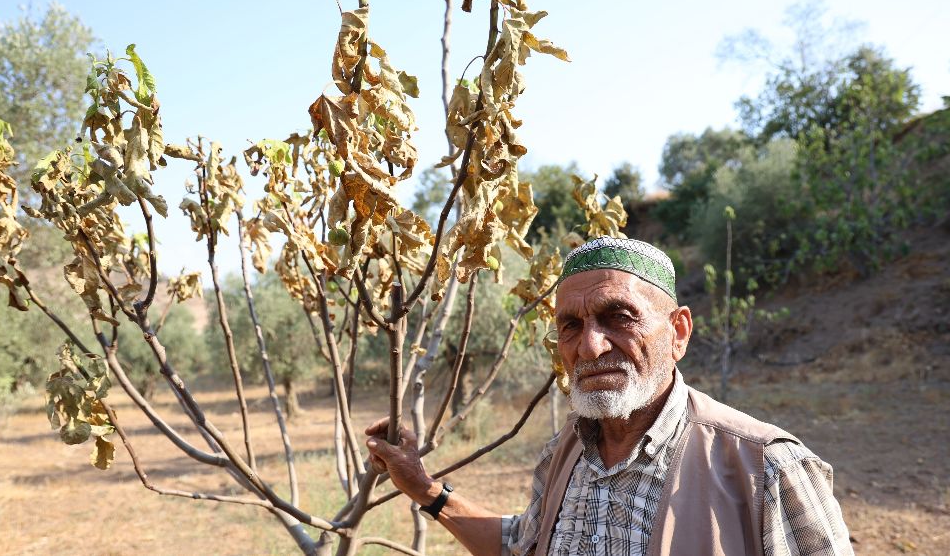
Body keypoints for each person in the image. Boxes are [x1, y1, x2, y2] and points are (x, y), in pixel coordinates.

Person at [365, 237, 854, 555]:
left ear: (678, 332)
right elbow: (522, 545)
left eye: (618, 317)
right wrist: (424, 488)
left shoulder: (766, 468)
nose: (591, 346)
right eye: (571, 326)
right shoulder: (564, 452)